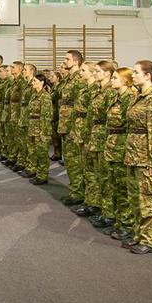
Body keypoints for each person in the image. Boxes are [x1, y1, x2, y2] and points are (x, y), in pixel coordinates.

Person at [121, 60, 152, 255]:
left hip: (146, 158)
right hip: (133, 155)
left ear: (148, 75)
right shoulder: (138, 97)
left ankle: (149, 241)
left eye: (136, 72)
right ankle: (138, 235)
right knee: (134, 199)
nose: (133, 75)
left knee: (147, 200)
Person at [98, 67, 137, 238]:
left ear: (125, 81)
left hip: (122, 148)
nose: (111, 80)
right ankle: (118, 221)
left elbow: (129, 127)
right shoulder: (115, 97)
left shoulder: (130, 99)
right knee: (113, 185)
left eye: (115, 78)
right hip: (112, 146)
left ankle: (127, 226)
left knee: (123, 188)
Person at [83, 60, 117, 224]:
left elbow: (112, 119)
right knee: (95, 175)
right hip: (95, 136)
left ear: (107, 74)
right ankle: (97, 205)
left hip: (104, 138)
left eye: (97, 71)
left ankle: (109, 214)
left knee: (105, 178)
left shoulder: (111, 92)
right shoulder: (98, 90)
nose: (94, 74)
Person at [68, 61, 98, 216]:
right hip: (80, 129)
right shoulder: (85, 88)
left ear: (93, 73)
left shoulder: (95, 90)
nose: (80, 73)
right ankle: (87, 199)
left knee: (91, 170)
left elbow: (93, 115)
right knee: (84, 168)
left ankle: (92, 203)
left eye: (84, 70)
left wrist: (86, 134)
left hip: (89, 132)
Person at [58, 51, 86, 206]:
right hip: (66, 124)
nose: (65, 61)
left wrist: (76, 127)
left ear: (76, 61)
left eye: (67, 59)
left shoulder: (79, 80)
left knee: (75, 160)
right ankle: (75, 190)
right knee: (69, 160)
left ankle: (78, 193)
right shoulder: (68, 78)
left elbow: (80, 106)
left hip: (73, 125)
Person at [26, 73, 54, 185]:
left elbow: (47, 116)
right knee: (33, 151)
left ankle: (43, 176)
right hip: (33, 127)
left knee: (42, 153)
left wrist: (44, 132)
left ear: (42, 83)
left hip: (41, 129)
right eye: (32, 81)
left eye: (35, 81)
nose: (32, 83)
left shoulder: (45, 97)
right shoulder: (34, 95)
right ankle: (36, 172)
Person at [14, 63, 35, 173]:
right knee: (23, 142)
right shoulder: (26, 84)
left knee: (29, 144)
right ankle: (25, 164)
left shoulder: (33, 84)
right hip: (23, 115)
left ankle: (31, 167)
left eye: (25, 70)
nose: (23, 71)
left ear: (32, 71)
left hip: (29, 117)